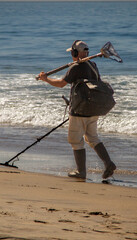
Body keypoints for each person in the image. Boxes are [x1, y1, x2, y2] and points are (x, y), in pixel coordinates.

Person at [38, 40, 116, 180]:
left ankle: (81, 172)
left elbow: (61, 84)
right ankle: (108, 163)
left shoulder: (75, 67)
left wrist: (46, 79)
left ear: (75, 53)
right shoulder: (93, 65)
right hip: (93, 108)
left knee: (75, 140)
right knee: (92, 138)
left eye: (72, 52)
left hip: (79, 109)